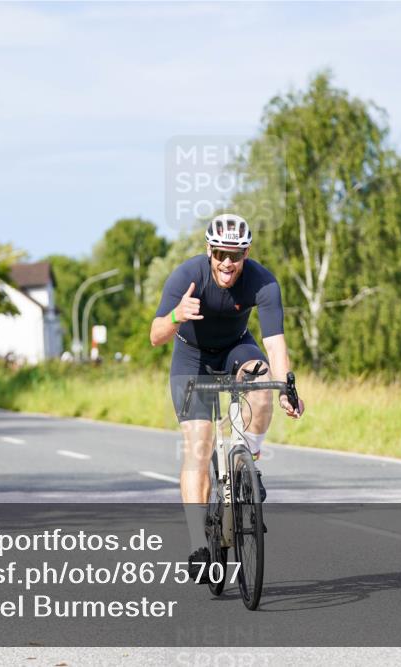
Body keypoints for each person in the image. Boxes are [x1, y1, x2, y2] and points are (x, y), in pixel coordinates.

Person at [149, 213, 304, 580]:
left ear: (246, 253)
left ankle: (248, 458)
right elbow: (156, 335)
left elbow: (275, 344)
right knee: (199, 446)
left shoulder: (263, 282)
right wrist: (176, 315)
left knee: (262, 379)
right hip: (192, 356)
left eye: (235, 255)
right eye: (220, 254)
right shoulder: (187, 276)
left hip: (237, 347)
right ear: (209, 251)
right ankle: (198, 547)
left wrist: (288, 387)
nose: (227, 263)